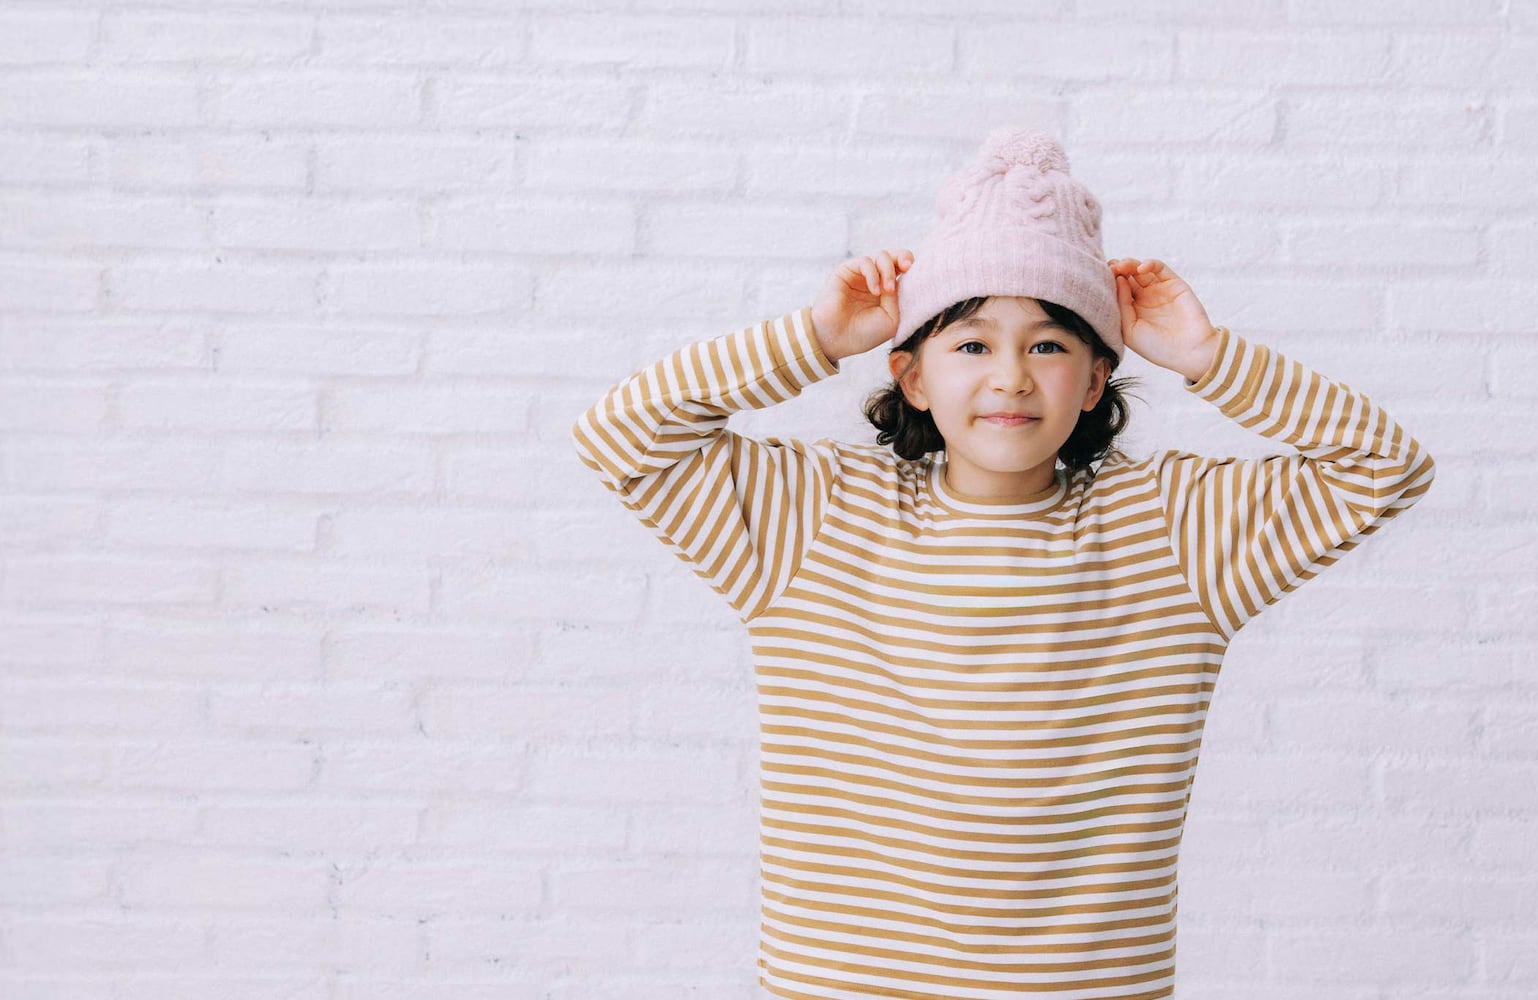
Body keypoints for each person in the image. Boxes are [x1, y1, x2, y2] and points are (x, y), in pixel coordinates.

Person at [572, 126, 1438, 1000]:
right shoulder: (814, 516)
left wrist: (1208, 359)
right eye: (973, 344)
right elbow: (620, 437)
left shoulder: (1174, 529)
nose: (1013, 378)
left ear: (1096, 381)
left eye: (1050, 345)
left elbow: (1384, 469)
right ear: (912, 377)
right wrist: (815, 340)